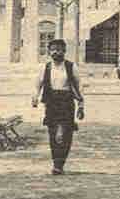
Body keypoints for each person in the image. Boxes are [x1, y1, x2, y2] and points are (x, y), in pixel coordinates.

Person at [32, 38, 84, 174]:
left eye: (59, 50)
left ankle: (61, 164)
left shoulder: (71, 67)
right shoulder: (45, 67)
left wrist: (81, 104)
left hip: (67, 102)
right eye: (53, 50)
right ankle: (56, 163)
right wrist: (35, 97)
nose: (56, 52)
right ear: (49, 52)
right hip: (51, 102)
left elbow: (79, 86)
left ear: (64, 52)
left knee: (66, 133)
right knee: (53, 133)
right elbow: (38, 84)